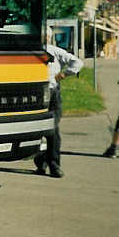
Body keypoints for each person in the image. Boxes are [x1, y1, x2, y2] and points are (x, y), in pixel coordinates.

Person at [35, 26, 84, 177]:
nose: (45, 39)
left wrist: (64, 74)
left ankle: (53, 163)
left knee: (53, 129)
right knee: (40, 130)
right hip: (37, 93)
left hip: (52, 92)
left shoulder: (55, 51)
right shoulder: (32, 52)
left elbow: (77, 62)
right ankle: (43, 160)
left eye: (46, 37)